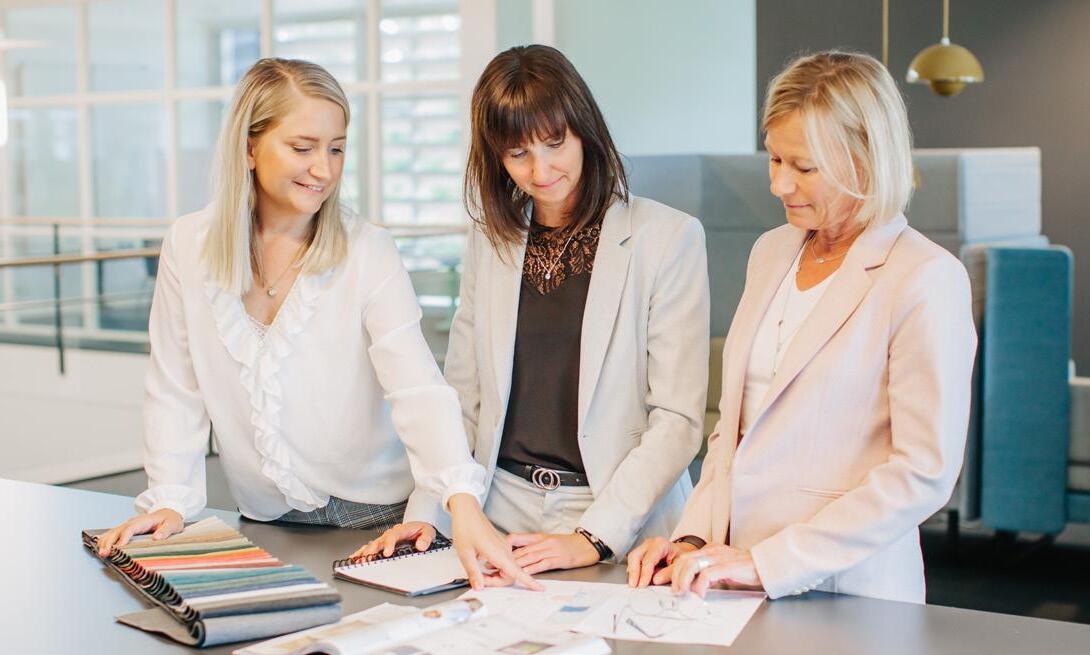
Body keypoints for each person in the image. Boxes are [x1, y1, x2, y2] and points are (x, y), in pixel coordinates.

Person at [94, 58, 535, 591]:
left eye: (336, 149)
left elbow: (417, 388)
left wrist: (459, 500)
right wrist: (169, 499)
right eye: (303, 148)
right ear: (249, 148)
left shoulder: (368, 249)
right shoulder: (188, 245)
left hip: (381, 523)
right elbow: (175, 388)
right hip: (265, 521)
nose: (323, 170)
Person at [627, 51, 976, 604]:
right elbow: (733, 434)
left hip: (847, 591)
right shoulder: (771, 252)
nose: (779, 185)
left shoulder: (926, 277)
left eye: (804, 168)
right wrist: (693, 538)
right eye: (774, 159)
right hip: (732, 578)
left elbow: (922, 472)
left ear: (865, 161)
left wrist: (769, 563)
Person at [360, 45, 710, 576]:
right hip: (496, 513)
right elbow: (463, 397)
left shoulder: (668, 238)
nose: (540, 170)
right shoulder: (491, 239)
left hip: (617, 520)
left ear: (585, 131)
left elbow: (678, 421)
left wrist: (593, 537)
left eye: (555, 143)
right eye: (518, 152)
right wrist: (429, 512)